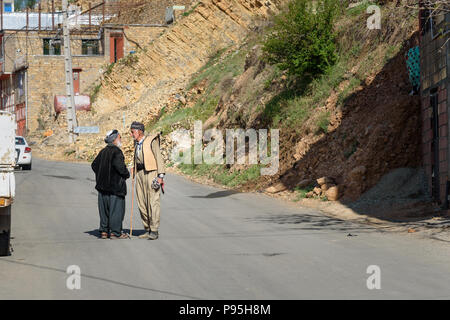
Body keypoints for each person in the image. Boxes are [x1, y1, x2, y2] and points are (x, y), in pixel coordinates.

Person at [91, 129, 130, 239]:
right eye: (120, 137)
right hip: (115, 188)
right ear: (115, 139)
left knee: (104, 211)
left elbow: (94, 165)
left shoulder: (103, 151)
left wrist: (101, 176)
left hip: (102, 188)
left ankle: (104, 231)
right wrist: (126, 174)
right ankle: (115, 232)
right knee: (116, 211)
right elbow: (121, 168)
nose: (121, 139)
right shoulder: (117, 152)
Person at [130, 121, 165, 240]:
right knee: (142, 202)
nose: (131, 134)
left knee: (153, 201)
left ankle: (154, 230)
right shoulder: (136, 143)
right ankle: (147, 228)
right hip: (140, 174)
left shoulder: (151, 141)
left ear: (139, 131)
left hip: (151, 173)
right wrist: (134, 169)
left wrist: (160, 176)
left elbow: (159, 157)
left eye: (132, 132)